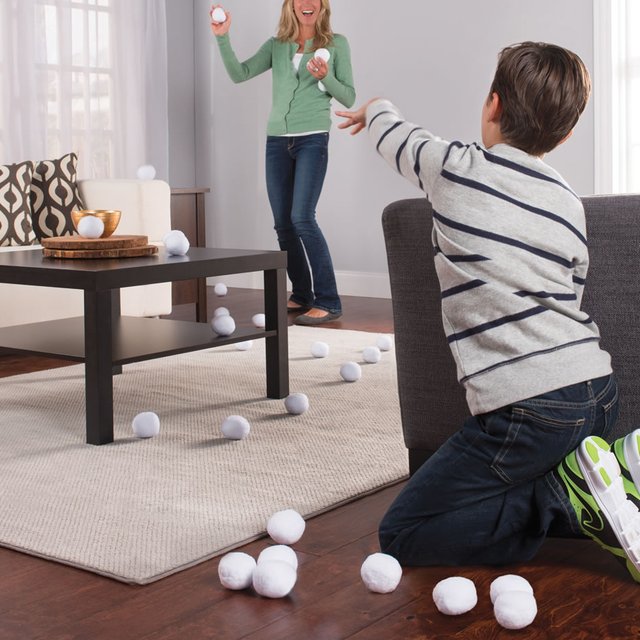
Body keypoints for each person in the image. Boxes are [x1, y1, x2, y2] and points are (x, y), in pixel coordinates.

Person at [337, 42, 640, 581]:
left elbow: (394, 136)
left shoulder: (455, 168)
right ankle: (608, 473)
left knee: (402, 532)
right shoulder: (569, 203)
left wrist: (374, 107)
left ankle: (563, 498)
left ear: (491, 105)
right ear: (566, 136)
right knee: (521, 476)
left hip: (529, 411)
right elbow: (571, 289)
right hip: (598, 394)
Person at [210, 0, 355, 325]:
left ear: (322, 5)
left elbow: (348, 96)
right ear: (290, 5)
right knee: (283, 224)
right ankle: (302, 293)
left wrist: (327, 77)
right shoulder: (277, 46)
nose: (307, 4)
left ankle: (329, 300)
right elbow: (240, 73)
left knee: (302, 217)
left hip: (313, 138)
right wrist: (222, 36)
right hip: (277, 140)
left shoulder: (337, 44)